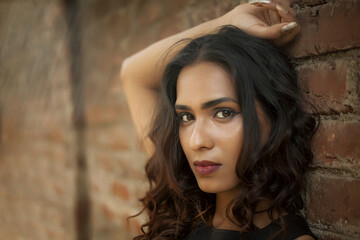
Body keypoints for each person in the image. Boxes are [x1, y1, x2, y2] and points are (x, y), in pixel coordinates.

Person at [120, 1, 318, 239]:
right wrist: (229, 23)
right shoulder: (182, 209)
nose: (196, 142)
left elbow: (131, 73)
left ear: (273, 113)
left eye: (223, 113)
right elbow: (132, 73)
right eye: (186, 117)